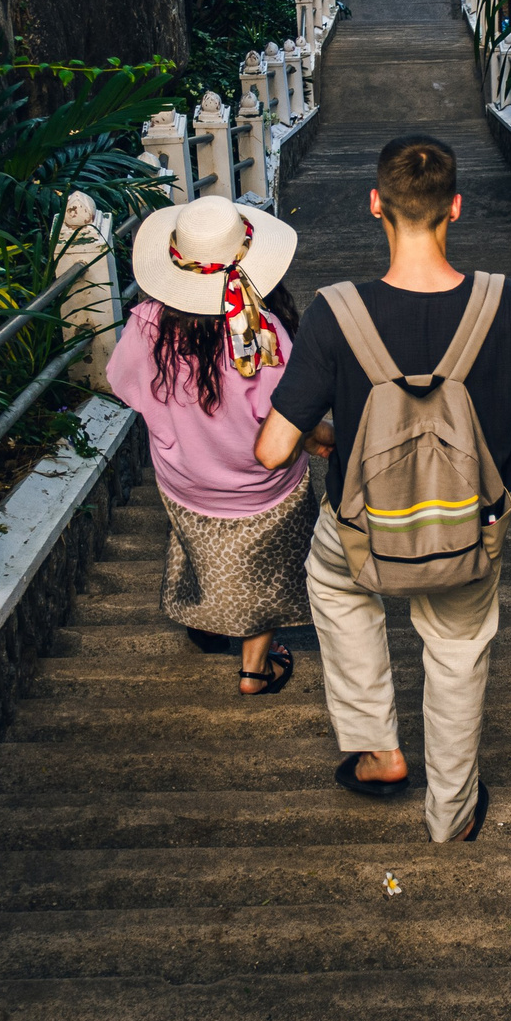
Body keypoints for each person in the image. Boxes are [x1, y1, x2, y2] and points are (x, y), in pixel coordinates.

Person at [255, 134, 511, 842]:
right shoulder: (504, 305)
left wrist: (330, 434)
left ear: (374, 205)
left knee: (335, 587)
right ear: (455, 207)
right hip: (466, 527)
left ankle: (378, 750)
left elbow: (271, 451)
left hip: (363, 527)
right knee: (454, 653)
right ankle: (451, 813)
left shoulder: (333, 313)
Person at [108, 194, 330, 697]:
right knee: (265, 570)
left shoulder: (145, 325)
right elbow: (289, 418)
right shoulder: (265, 336)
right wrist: (323, 440)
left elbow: (123, 387)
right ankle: (254, 668)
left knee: (202, 547)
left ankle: (207, 621)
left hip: (185, 480)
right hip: (260, 488)